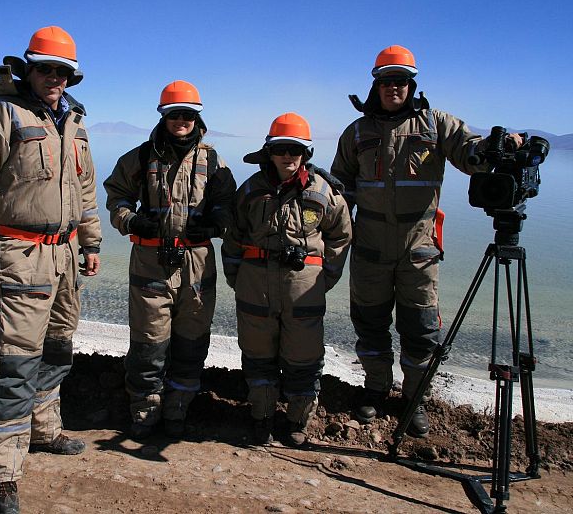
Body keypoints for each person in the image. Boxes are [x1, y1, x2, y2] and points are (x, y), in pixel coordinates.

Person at [330, 45, 523, 437]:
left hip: (418, 246)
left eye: (400, 80)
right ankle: (376, 389)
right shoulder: (357, 132)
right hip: (368, 246)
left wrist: (493, 147)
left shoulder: (436, 124)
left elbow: (471, 156)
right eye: (386, 81)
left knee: (419, 328)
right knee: (370, 324)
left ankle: (415, 399)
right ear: (376, 85)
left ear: (411, 84)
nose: (393, 88)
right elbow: (340, 190)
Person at [0, 25, 101, 514]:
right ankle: (2, 476)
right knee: (15, 365)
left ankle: (45, 431)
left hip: (64, 256)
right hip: (19, 256)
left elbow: (85, 190)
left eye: (62, 71)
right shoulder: (0, 116)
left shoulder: (73, 121)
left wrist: (91, 243)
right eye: (46, 69)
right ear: (28, 70)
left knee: (57, 350)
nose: (54, 77)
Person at [103, 80, 235, 439]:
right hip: (150, 258)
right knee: (149, 342)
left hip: (197, 262)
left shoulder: (213, 160)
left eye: (187, 114)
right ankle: (145, 412)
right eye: (174, 114)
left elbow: (228, 203)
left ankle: (178, 409)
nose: (181, 120)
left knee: (192, 341)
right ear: (164, 116)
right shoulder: (141, 157)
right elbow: (116, 196)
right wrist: (131, 220)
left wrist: (218, 221)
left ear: (197, 117)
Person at [222, 113, 352, 445]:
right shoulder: (250, 190)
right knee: (257, 354)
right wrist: (238, 276)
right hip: (255, 286)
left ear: (306, 153)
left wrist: (326, 276)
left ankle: (298, 421)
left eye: (295, 149)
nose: (288, 156)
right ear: (270, 152)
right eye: (281, 149)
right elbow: (233, 236)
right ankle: (261, 417)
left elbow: (340, 236)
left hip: (304, 290)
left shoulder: (324, 191)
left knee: (304, 356)